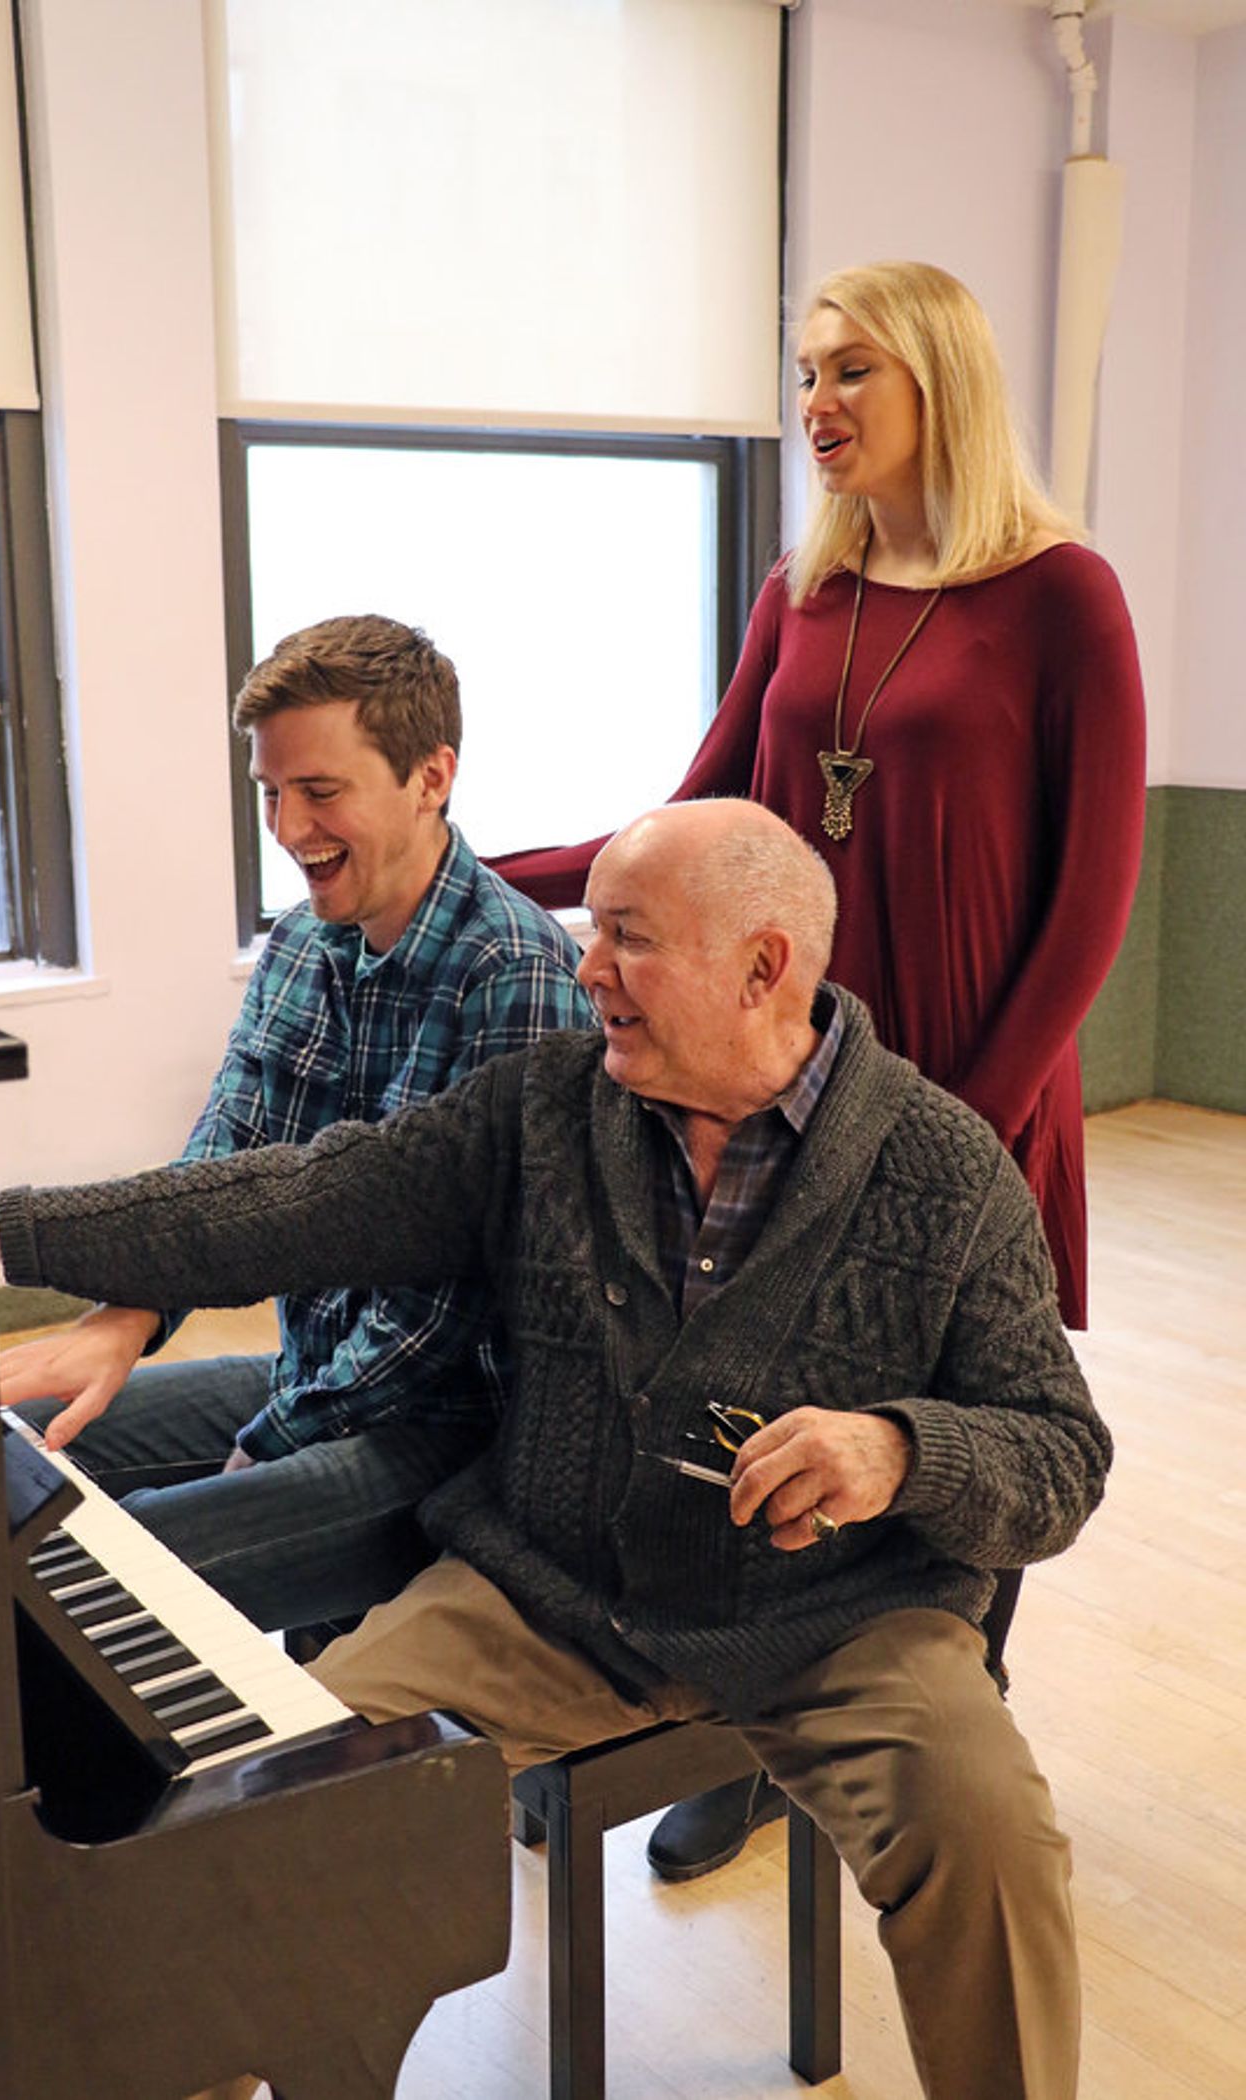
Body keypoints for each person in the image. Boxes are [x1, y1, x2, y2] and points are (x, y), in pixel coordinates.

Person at [0, 799, 1110, 2100]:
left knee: (992, 1844)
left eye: (627, 940)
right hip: (550, 1594)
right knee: (269, 1823)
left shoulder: (946, 1172)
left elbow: (1057, 1452)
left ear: (763, 969)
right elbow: (292, 1202)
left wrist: (901, 1452)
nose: (583, 970)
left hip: (843, 1623)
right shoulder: (544, 1113)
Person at [494, 258, 1145, 1877]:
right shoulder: (803, 596)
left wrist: (963, 1141)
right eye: (804, 373)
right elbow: (701, 810)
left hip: (974, 1087)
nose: (816, 405)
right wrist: (482, 871)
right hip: (796, 1081)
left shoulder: (1064, 595)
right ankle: (761, 1733)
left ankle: (945, 1717)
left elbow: (1090, 907)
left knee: (954, 1411)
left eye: (853, 372)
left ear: (942, 383)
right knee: (755, 1398)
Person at [0, 613, 593, 1632]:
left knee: (98, 1585)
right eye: (271, 793)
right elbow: (228, 1155)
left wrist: (273, 1438)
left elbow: (441, 1311)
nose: (286, 828)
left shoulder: (515, 973)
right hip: (318, 1378)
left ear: (429, 776)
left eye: (320, 792)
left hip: (456, 1429)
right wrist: (124, 1320)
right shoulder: (303, 944)